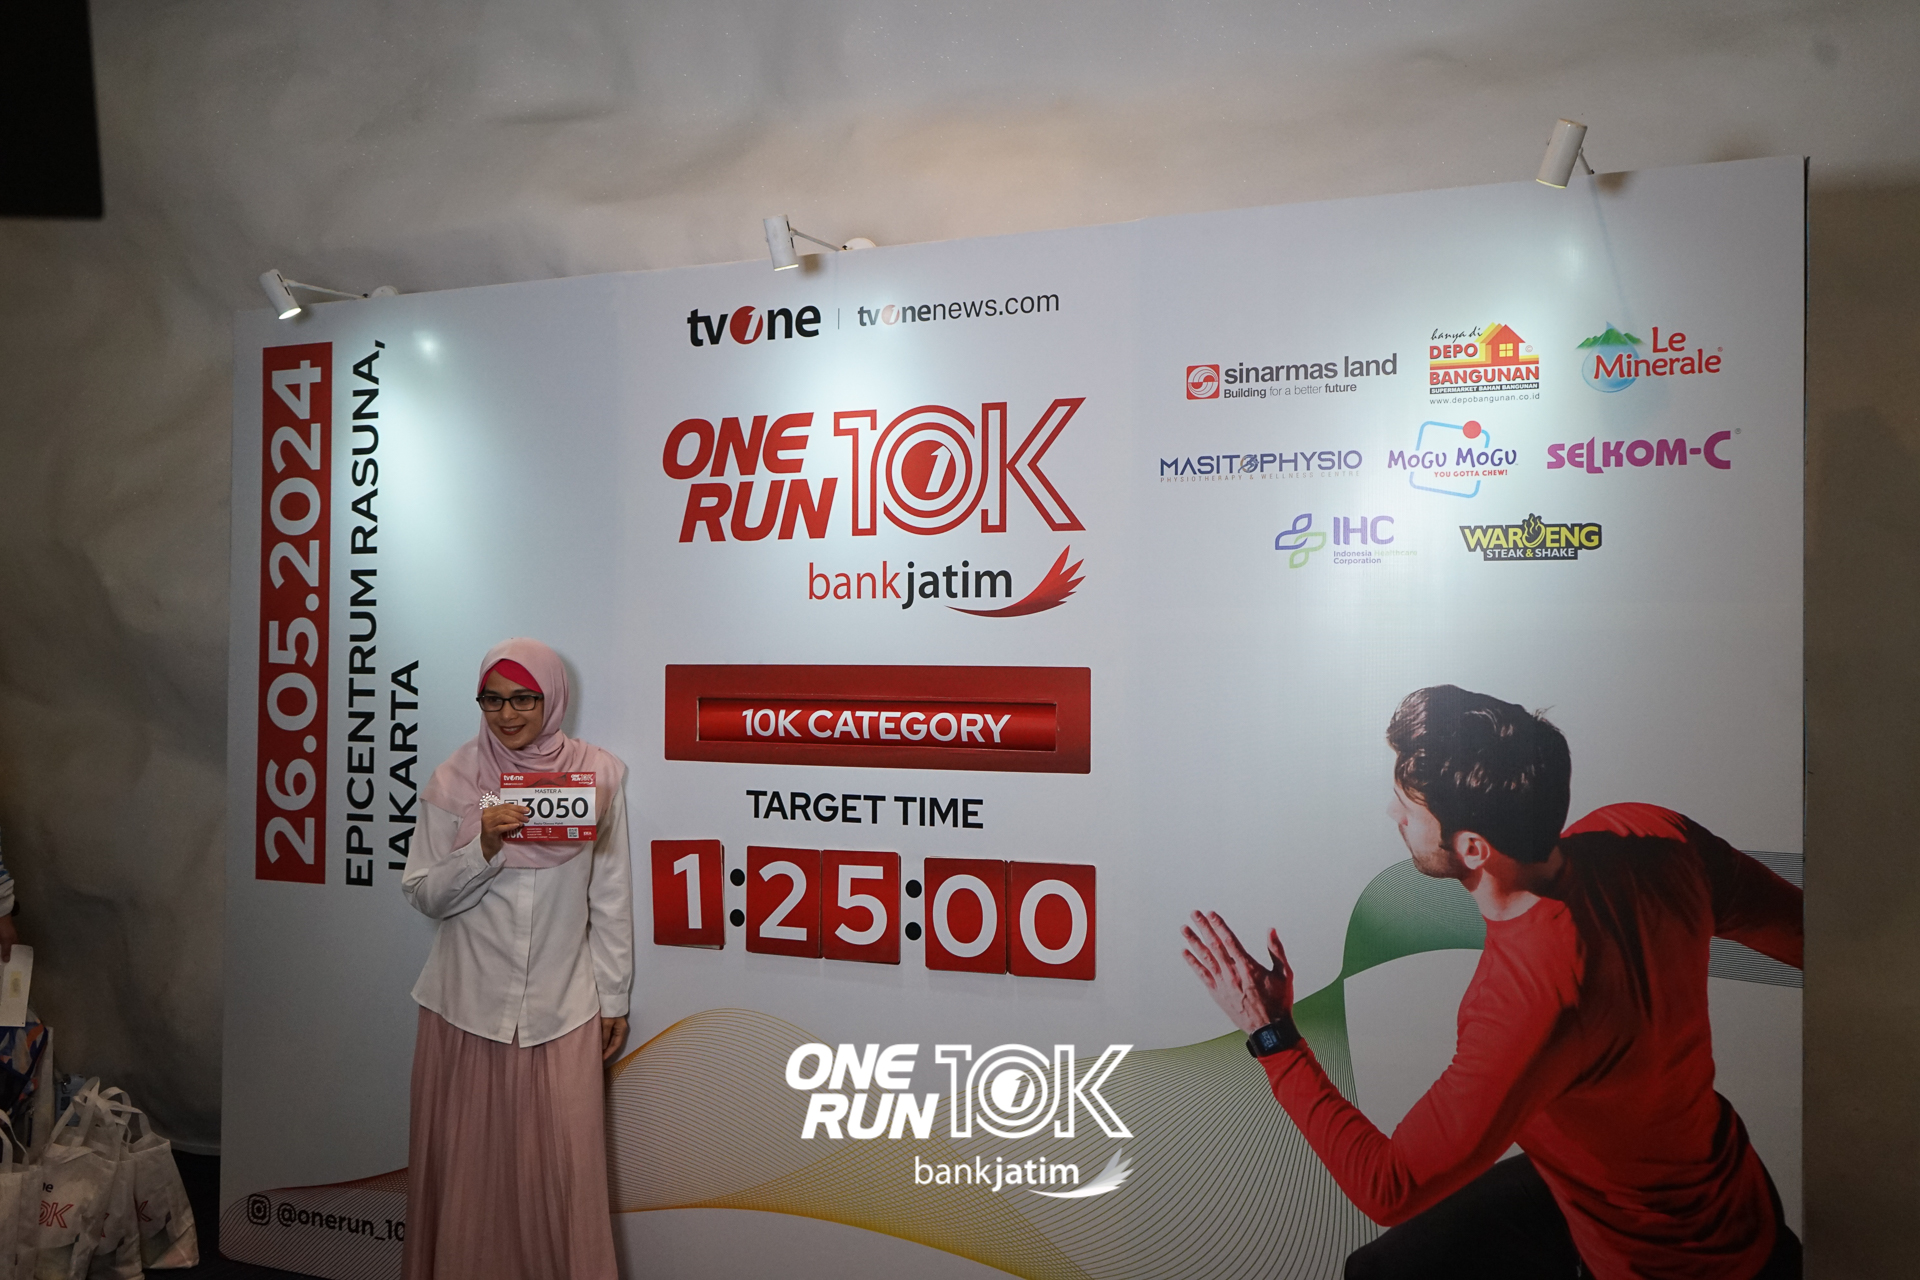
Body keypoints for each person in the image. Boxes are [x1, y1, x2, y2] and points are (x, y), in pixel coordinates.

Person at [1183, 685, 1803, 1280]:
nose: (1393, 814)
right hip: (1706, 1186)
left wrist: (1272, 1034)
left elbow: (1387, 1187)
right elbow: (1809, 934)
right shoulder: (1650, 835)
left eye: (1408, 808)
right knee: (1382, 1270)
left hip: (1664, 1259)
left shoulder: (1527, 1001)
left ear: (1474, 848)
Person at [401, 638, 633, 1280]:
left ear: (552, 697)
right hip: (464, 1011)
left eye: (524, 699)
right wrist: (482, 846)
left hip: (563, 1010)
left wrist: (613, 997)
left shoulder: (599, 777)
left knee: (563, 1177)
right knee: (469, 1182)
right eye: (493, 700)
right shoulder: (457, 781)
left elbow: (610, 896)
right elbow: (423, 894)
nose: (508, 715)